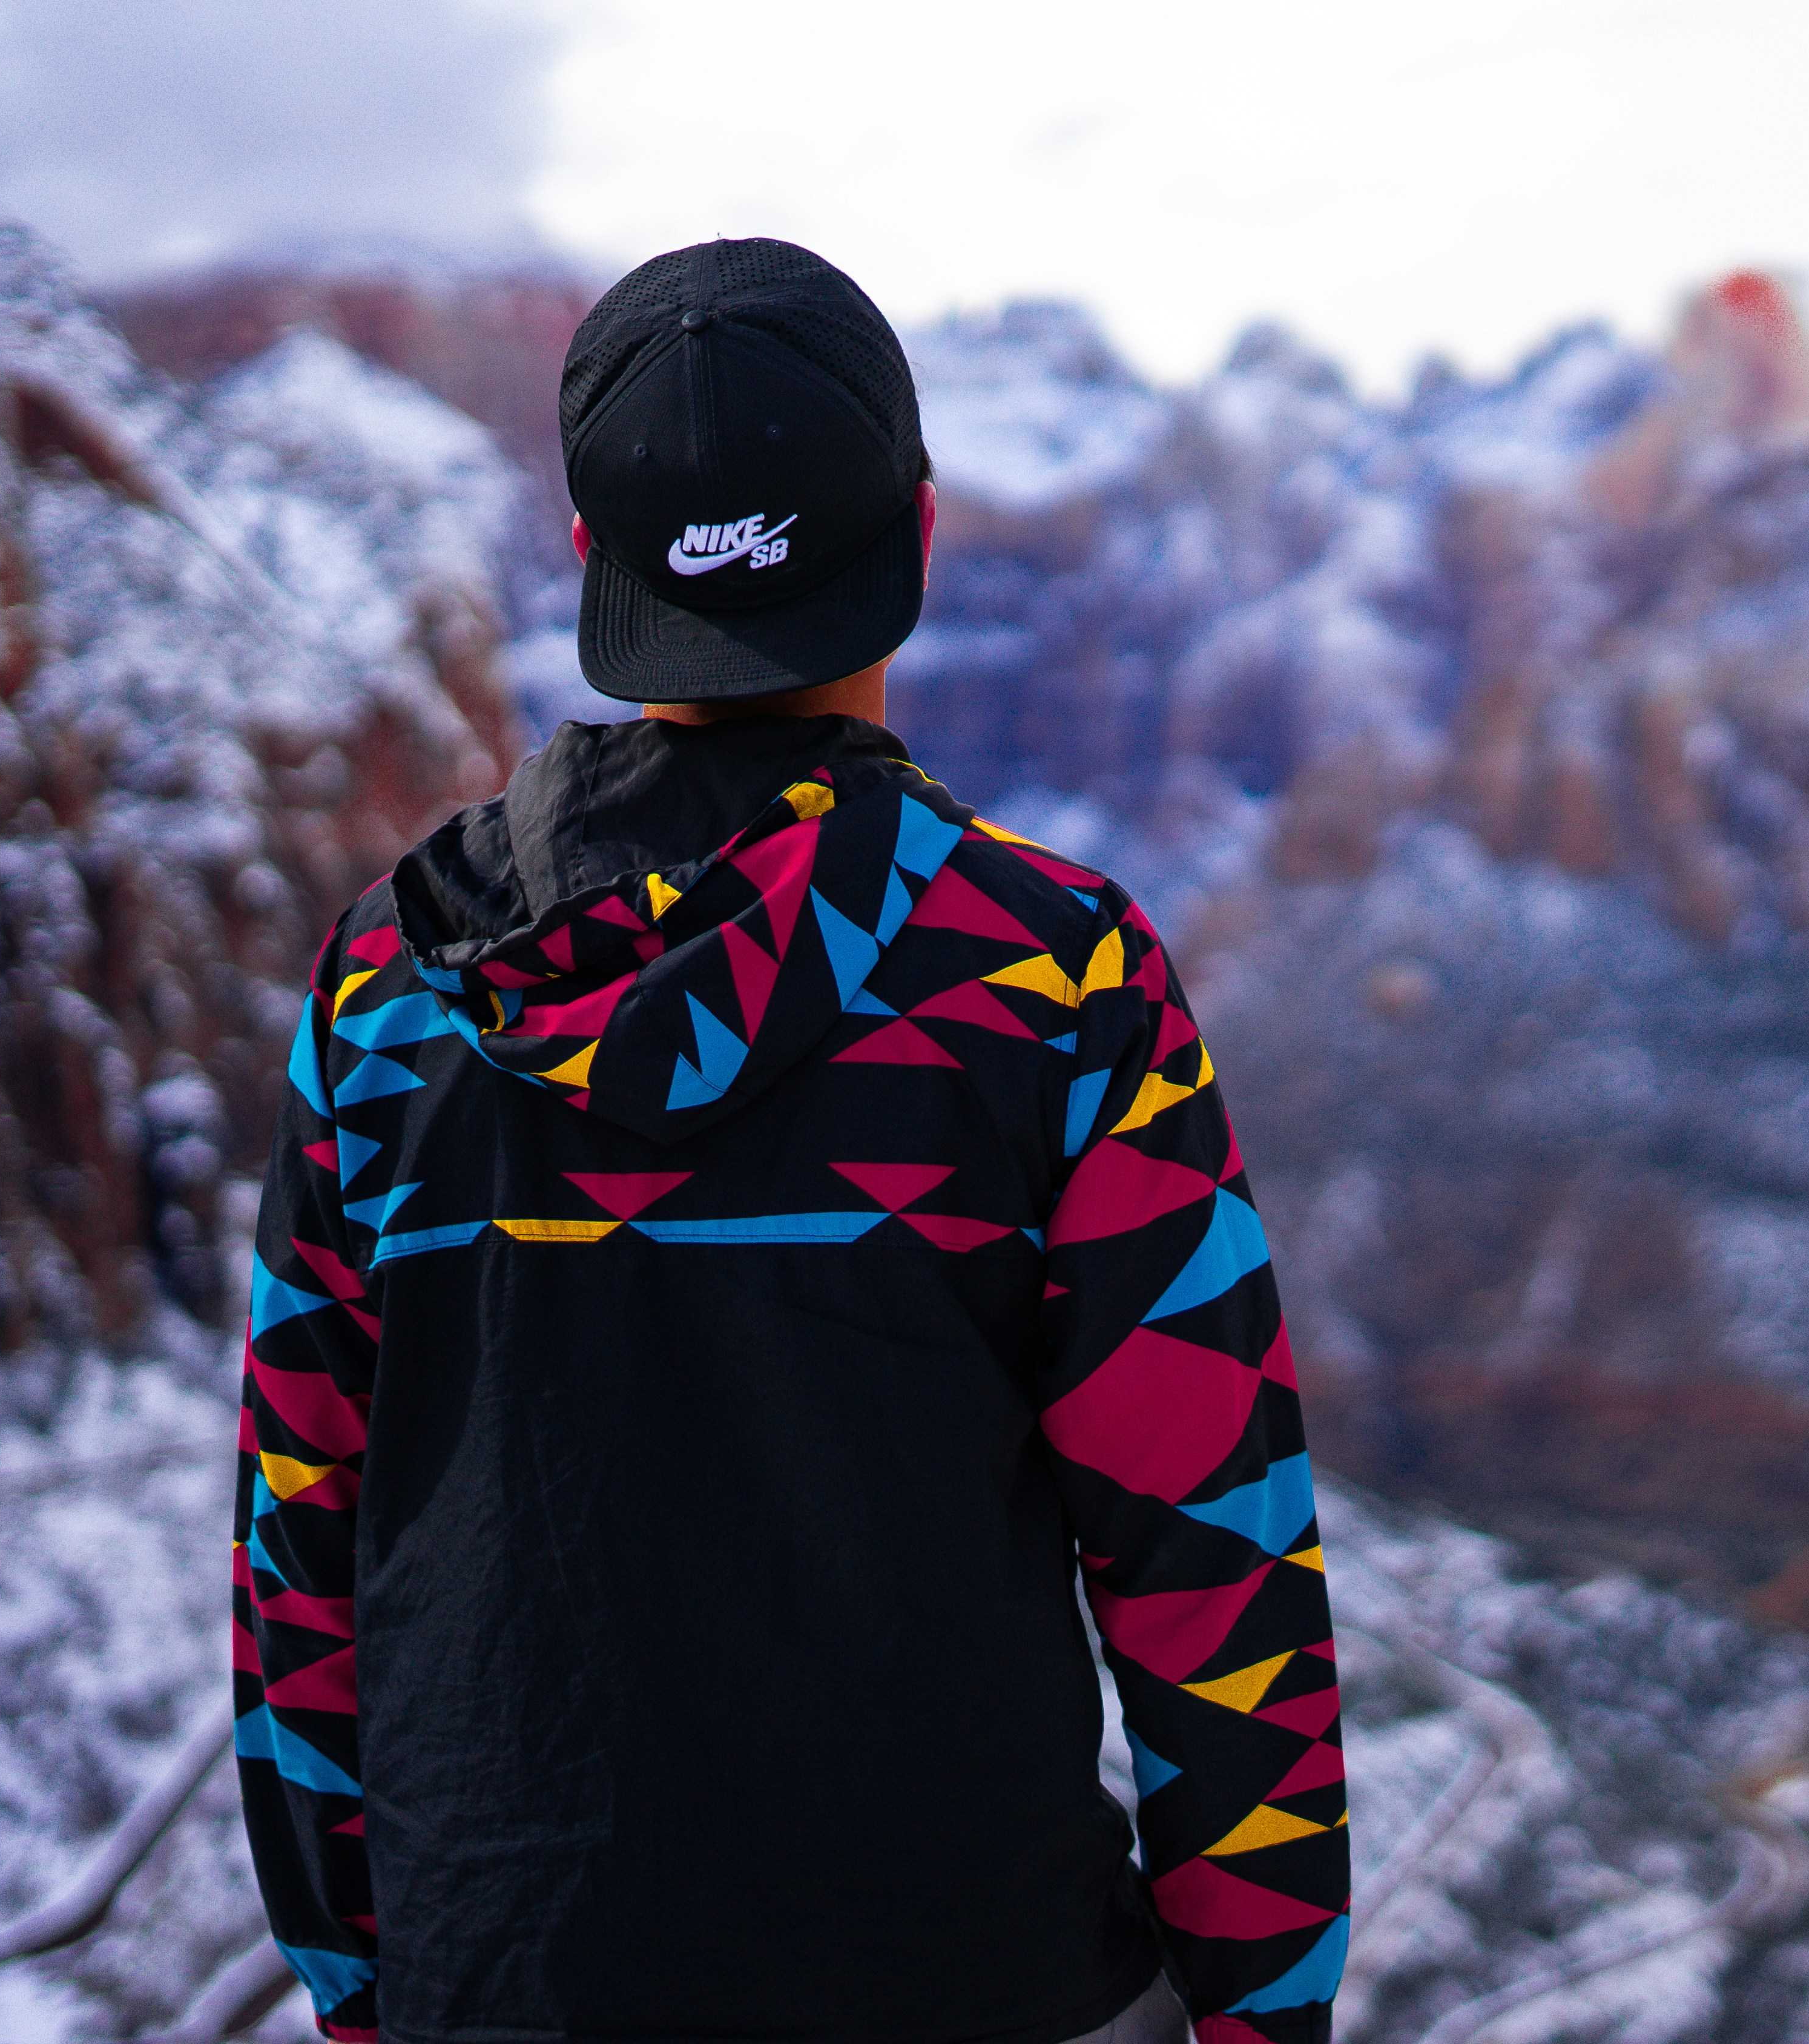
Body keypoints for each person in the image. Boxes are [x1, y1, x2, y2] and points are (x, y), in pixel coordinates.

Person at [231, 239, 1346, 2044]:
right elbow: (1207, 1549)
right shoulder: (1053, 979)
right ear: (917, 535)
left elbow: (304, 1530)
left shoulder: (390, 986)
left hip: (499, 1987)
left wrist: (368, 1977)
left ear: (596, 567)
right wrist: (1264, 2010)